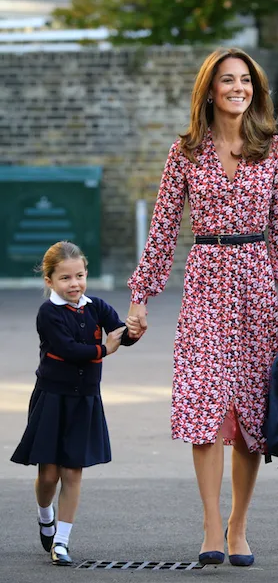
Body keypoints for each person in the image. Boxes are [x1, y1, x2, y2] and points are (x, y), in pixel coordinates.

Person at [125, 47, 278, 567]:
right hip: (205, 283)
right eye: (227, 80)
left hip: (254, 285)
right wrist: (140, 296)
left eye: (245, 81)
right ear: (210, 88)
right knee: (205, 404)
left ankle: (238, 527)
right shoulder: (183, 152)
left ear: (255, 88)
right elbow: (162, 232)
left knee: (252, 410)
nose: (238, 88)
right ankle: (210, 524)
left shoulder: (273, 149)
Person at [10, 241, 138, 566]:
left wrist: (134, 332)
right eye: (65, 278)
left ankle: (62, 542)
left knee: (73, 472)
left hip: (85, 401)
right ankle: (44, 515)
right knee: (49, 475)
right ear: (49, 280)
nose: (74, 284)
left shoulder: (96, 306)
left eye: (79, 275)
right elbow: (68, 349)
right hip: (52, 399)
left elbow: (119, 330)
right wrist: (104, 350)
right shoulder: (48, 313)